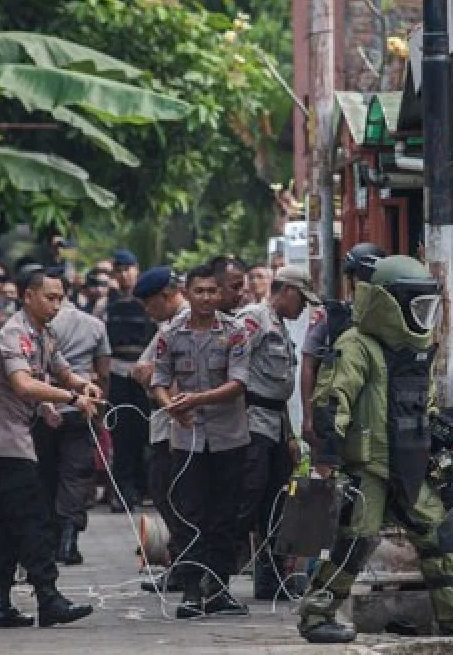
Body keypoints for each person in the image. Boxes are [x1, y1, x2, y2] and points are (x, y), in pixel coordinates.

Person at [296, 255, 453, 643]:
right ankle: (315, 616)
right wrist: (326, 458)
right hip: (370, 467)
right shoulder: (356, 346)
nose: (423, 316)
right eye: (416, 306)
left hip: (409, 464)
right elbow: (331, 402)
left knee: (439, 532)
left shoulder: (415, 353)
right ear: (387, 305)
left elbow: (423, 408)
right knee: (356, 541)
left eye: (428, 306)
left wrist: (448, 436)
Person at [0, 267, 100, 628]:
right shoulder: (14, 334)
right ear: (29, 296)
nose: (57, 305)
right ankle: (48, 597)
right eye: (50, 297)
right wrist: (72, 398)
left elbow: (61, 370)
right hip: (4, 444)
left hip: (17, 439)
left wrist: (82, 386)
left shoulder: (42, 334)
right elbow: (24, 385)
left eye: (61, 298)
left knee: (6, 526)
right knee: (34, 522)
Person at [151, 263, 252, 619]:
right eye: (200, 291)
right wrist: (172, 408)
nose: (207, 298)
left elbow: (238, 384)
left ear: (221, 293)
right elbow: (159, 379)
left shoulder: (236, 331)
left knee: (225, 516)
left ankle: (219, 588)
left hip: (229, 437)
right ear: (187, 293)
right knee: (189, 515)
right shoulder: (170, 333)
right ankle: (191, 591)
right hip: (187, 439)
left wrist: (197, 400)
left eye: (213, 291)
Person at [234, 265, 313, 600]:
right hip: (250, 419)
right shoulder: (254, 318)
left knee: (276, 501)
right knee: (246, 498)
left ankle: (270, 580)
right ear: (288, 292)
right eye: (302, 300)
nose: (304, 308)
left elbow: (279, 390)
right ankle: (214, 578)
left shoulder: (279, 324)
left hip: (274, 422)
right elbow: (232, 367)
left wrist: (291, 435)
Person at [32, 269, 111, 567]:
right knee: (77, 475)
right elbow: (103, 372)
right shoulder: (95, 325)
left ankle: (51, 538)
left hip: (46, 408)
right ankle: (69, 536)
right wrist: (100, 409)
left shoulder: (41, 327)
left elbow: (35, 372)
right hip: (82, 409)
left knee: (48, 474)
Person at [131, 266, 190, 594]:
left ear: (165, 296)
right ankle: (180, 562)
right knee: (164, 489)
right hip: (163, 421)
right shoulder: (168, 325)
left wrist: (150, 374)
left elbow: (155, 372)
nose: (147, 312)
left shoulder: (183, 324)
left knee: (172, 492)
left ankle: (184, 563)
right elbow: (143, 370)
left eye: (149, 304)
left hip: (176, 422)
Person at [299, 242, 384, 452]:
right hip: (334, 411)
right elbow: (309, 365)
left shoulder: (389, 317)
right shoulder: (331, 316)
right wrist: (309, 417)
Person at [103, 249, 157, 510]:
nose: (124, 274)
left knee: (146, 433)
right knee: (122, 435)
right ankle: (125, 492)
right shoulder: (109, 306)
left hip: (145, 375)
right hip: (118, 373)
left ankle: (146, 487)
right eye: (119, 269)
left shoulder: (148, 301)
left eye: (128, 268)